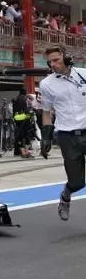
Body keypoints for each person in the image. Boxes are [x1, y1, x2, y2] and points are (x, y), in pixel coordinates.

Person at [38, 47, 86, 221]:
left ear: (67, 58)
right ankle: (66, 195)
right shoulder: (46, 84)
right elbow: (46, 112)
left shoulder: (83, 74)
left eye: (56, 60)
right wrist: (45, 138)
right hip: (67, 135)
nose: (53, 64)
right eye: (50, 62)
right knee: (77, 182)